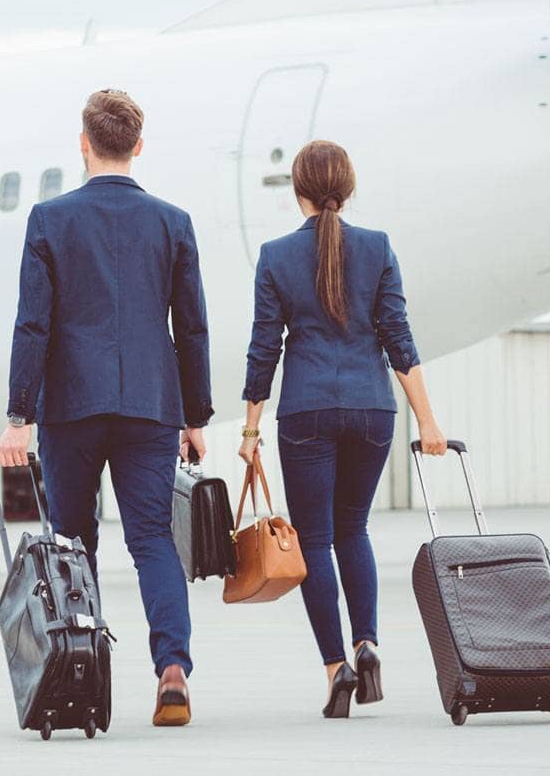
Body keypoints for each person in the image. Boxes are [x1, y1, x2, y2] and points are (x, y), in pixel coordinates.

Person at [0, 89, 213, 727]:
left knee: (72, 543)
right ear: (138, 146)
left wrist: (18, 417)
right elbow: (192, 328)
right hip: (151, 404)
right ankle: (171, 668)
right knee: (152, 540)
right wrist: (196, 417)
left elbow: (32, 325)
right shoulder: (173, 222)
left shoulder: (49, 220)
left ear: (84, 144)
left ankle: (80, 675)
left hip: (72, 406)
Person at [238, 139, 446, 718]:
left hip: (305, 411)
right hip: (371, 410)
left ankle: (336, 667)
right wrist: (427, 421)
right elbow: (399, 342)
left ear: (297, 191)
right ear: (347, 188)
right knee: (353, 529)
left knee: (317, 540)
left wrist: (250, 431)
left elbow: (264, 351)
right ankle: (368, 641)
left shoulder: (276, 256)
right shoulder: (377, 248)